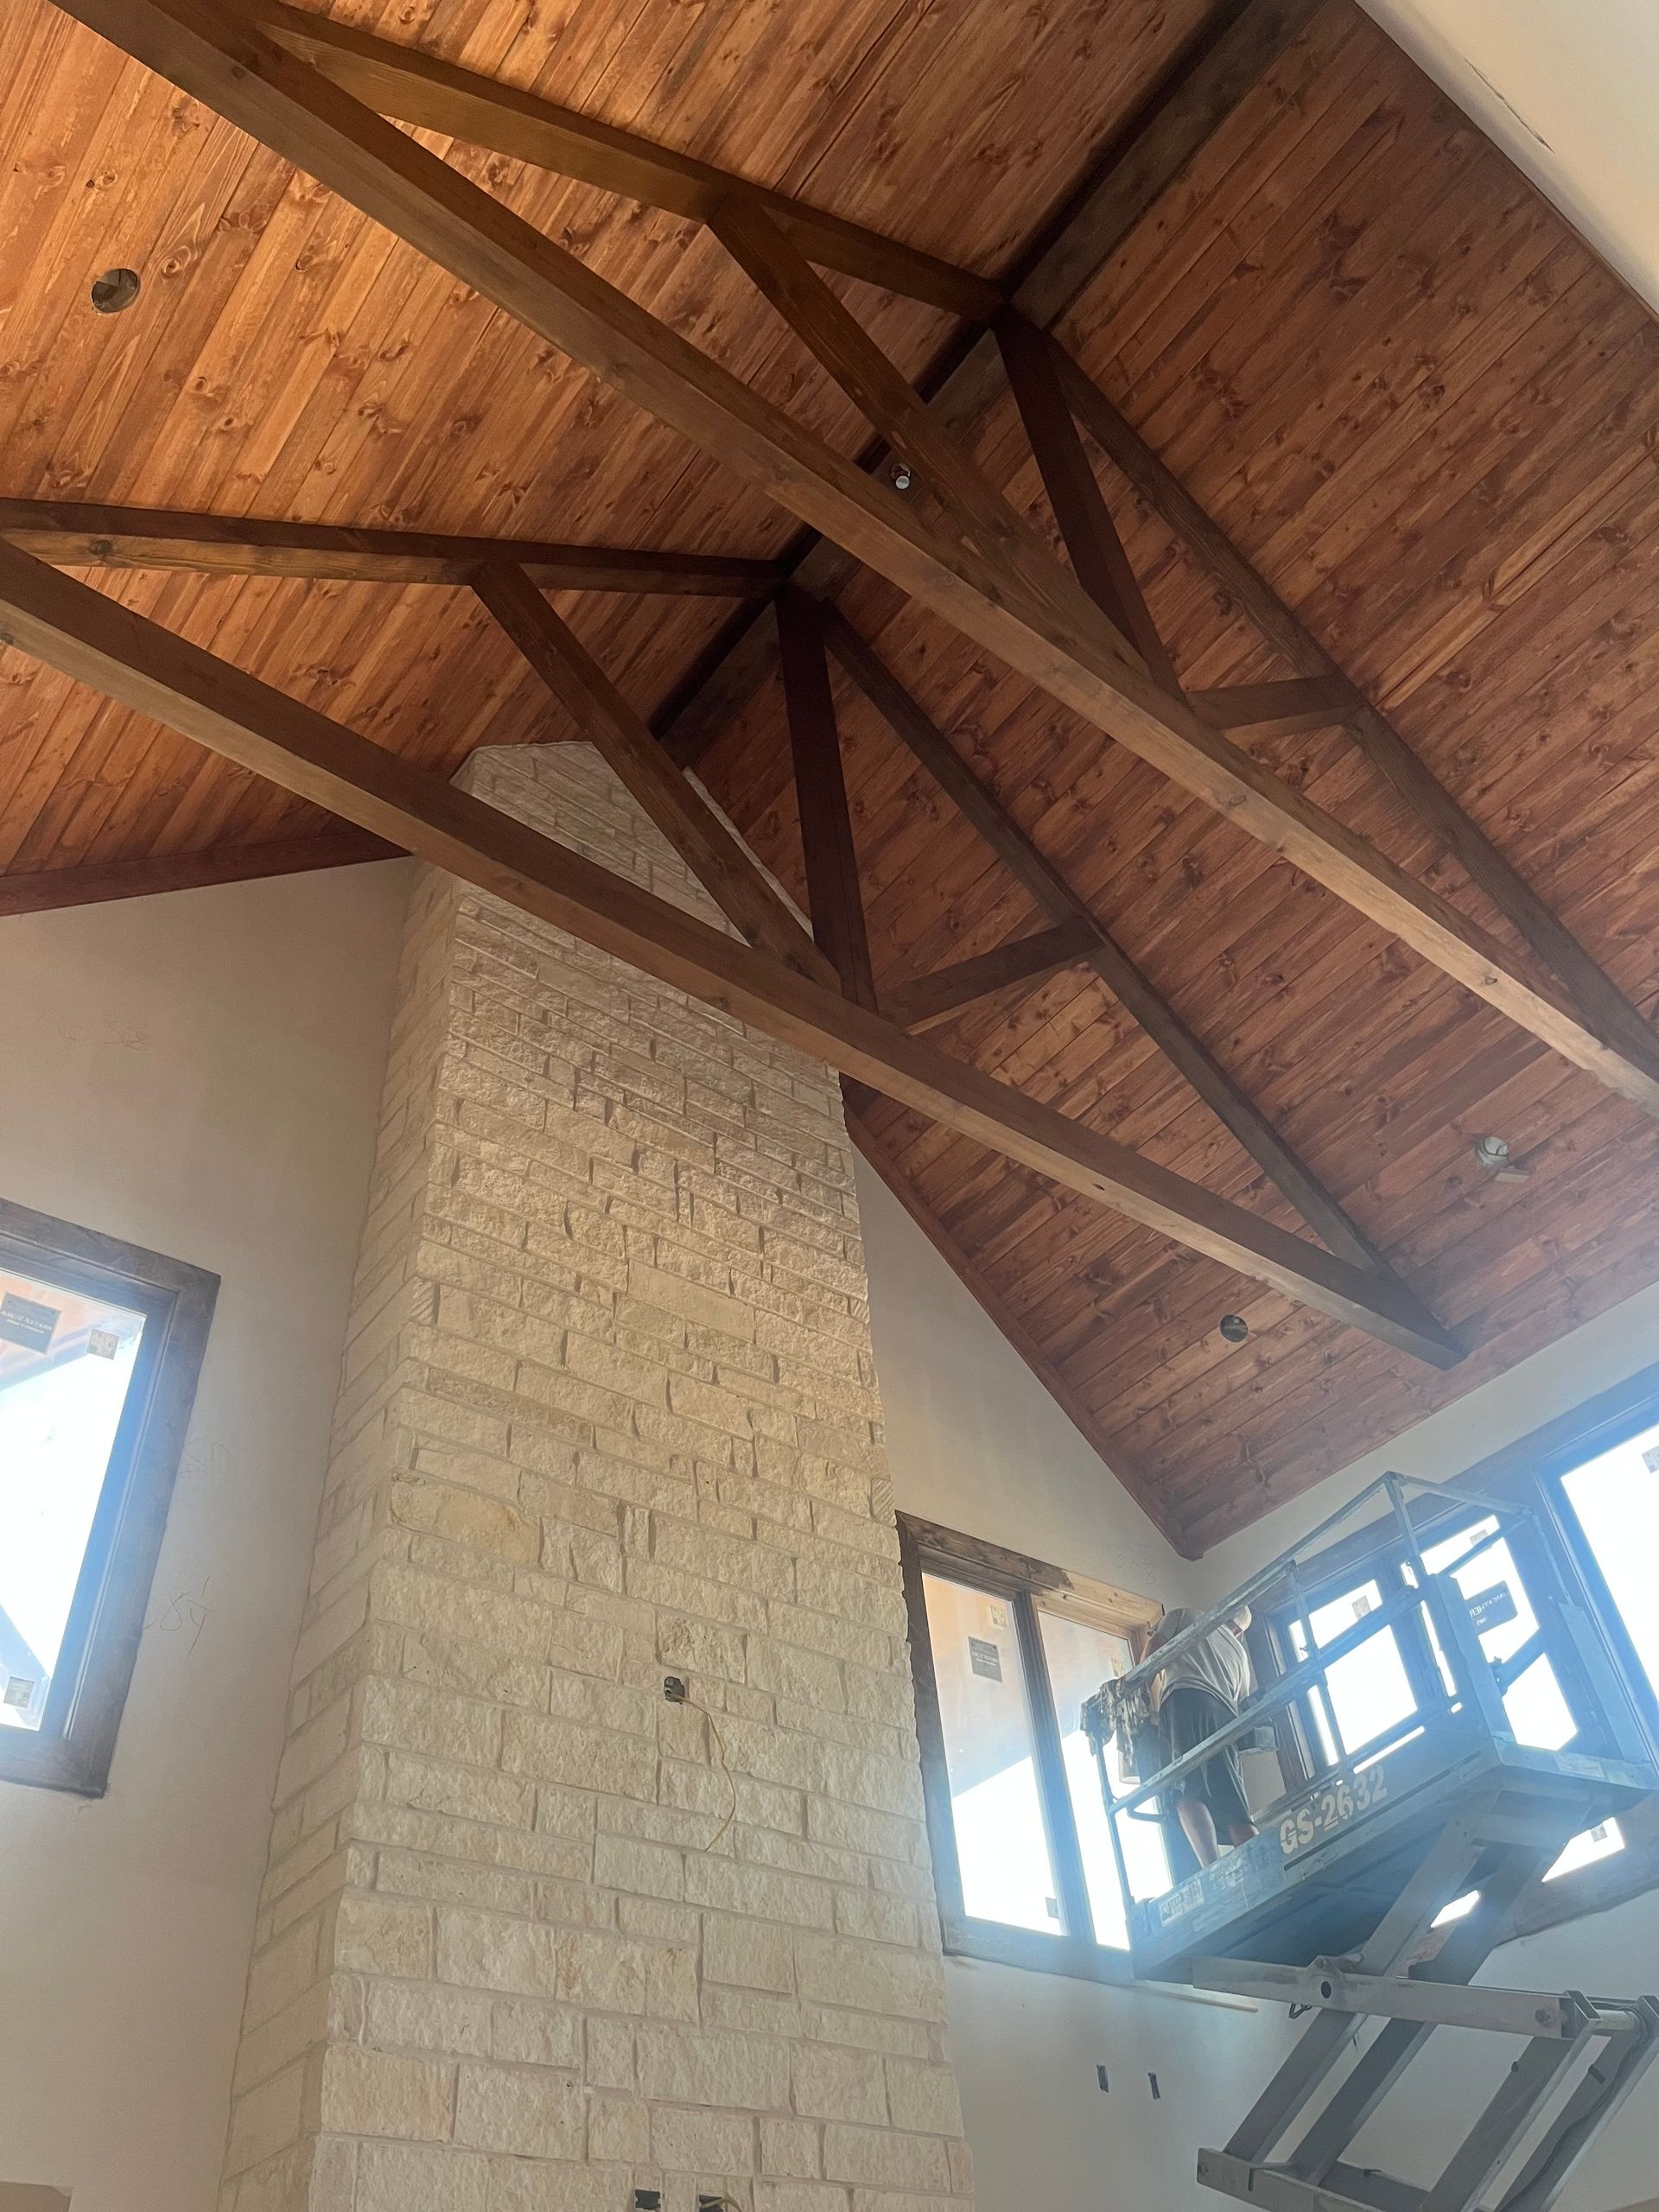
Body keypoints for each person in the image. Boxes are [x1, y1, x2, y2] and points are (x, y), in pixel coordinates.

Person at [1148, 1603, 1258, 1869]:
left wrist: (1146, 1709)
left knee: (1187, 1791)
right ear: (1239, 1632)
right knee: (1233, 1803)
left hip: (1186, 1700)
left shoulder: (1185, 1614)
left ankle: (1211, 1869)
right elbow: (1241, 1702)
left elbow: (1150, 1658)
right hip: (1226, 1719)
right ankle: (1260, 1867)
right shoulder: (1239, 1654)